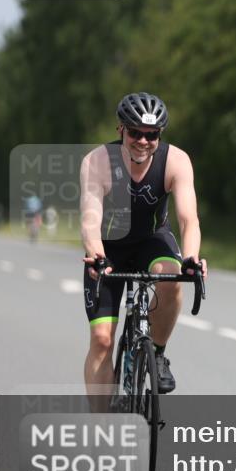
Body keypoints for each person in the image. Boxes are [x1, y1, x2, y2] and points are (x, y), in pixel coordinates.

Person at [80, 92, 208, 399]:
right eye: (135, 132)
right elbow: (90, 219)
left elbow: (188, 219)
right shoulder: (98, 161)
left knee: (172, 280)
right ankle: (102, 425)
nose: (143, 141)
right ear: (121, 129)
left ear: (159, 135)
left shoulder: (176, 161)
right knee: (102, 340)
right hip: (108, 248)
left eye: (151, 135)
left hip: (153, 240)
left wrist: (192, 258)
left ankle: (158, 355)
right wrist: (96, 256)